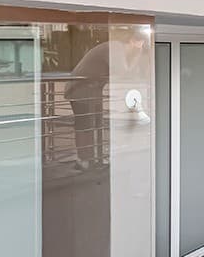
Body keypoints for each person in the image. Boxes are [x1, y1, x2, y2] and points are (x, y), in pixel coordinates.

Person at [63, 30, 147, 169]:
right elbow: (123, 72)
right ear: (132, 40)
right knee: (85, 124)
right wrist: (137, 56)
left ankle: (92, 159)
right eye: (140, 43)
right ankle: (83, 160)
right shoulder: (116, 48)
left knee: (95, 124)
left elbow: (126, 72)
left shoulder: (117, 49)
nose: (140, 47)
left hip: (92, 90)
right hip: (80, 89)